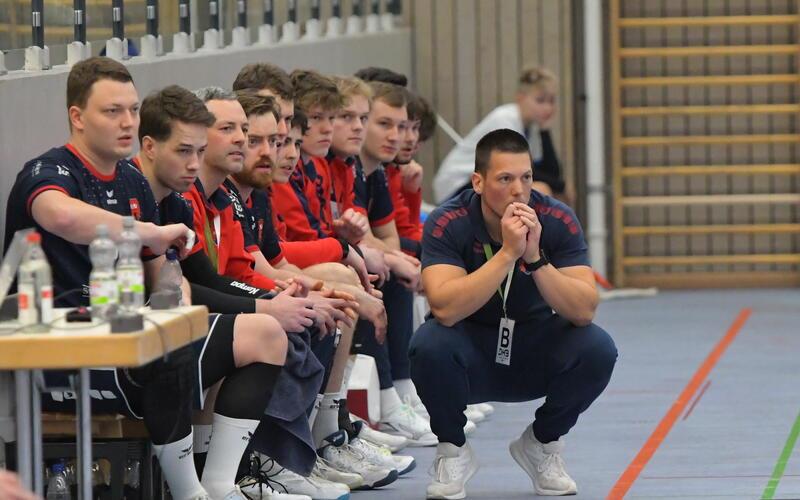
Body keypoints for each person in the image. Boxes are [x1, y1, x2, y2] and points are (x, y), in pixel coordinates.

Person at [3, 57, 288, 500]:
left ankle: (220, 483)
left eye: (133, 110)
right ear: (78, 117)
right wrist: (147, 232)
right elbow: (61, 217)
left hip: (126, 339)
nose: (127, 122)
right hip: (62, 353)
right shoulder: (49, 171)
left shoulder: (132, 183)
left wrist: (179, 299)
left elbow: (166, 277)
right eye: (112, 111)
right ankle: (188, 492)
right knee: (168, 350)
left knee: (265, 334)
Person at [411, 129, 617, 498]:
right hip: (470, 352)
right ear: (478, 182)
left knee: (597, 348)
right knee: (428, 344)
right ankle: (452, 450)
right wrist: (507, 253)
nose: (518, 191)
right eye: (505, 179)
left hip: (533, 347)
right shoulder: (448, 221)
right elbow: (443, 308)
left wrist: (534, 258)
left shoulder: (556, 218)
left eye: (526, 177)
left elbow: (584, 309)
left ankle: (542, 442)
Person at [433, 66, 572, 204]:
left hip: (490, 179)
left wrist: (544, 131)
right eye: (540, 101)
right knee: (540, 190)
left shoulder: (532, 128)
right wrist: (562, 186)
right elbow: (516, 169)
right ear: (520, 98)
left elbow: (551, 172)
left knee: (549, 193)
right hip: (458, 186)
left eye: (551, 101)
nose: (547, 108)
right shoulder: (504, 119)